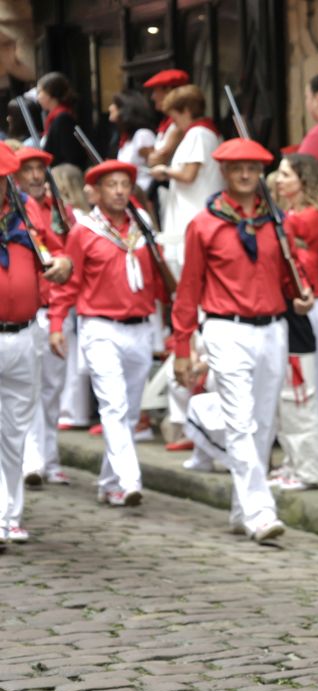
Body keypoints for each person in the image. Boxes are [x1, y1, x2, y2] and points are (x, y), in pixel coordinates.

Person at [171, 137, 312, 542]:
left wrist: (303, 295)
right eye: (237, 169)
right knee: (239, 420)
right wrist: (182, 348)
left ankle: (240, 509)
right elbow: (188, 290)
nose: (246, 174)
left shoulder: (276, 221)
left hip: (273, 329)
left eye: (253, 167)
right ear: (225, 173)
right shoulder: (204, 223)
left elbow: (293, 276)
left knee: (264, 424)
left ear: (261, 172)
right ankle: (260, 512)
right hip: (224, 328)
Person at [48, 160, 164, 507]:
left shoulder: (141, 227)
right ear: (95, 192)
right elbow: (69, 283)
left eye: (124, 184)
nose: (118, 191)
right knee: (112, 405)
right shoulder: (84, 231)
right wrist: (57, 323)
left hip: (140, 327)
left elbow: (160, 280)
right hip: (99, 327)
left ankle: (109, 482)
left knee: (127, 411)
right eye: (111, 185)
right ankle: (130, 480)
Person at [0, 143, 70, 544]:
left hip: (25, 334)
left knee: (14, 431)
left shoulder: (27, 211)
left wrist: (63, 265)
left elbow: (59, 255)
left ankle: (11, 515)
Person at [270, 152, 318, 492]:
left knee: (299, 395)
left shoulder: (306, 218)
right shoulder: (289, 217)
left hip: (301, 311)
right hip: (286, 310)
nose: (278, 181)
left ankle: (309, 468)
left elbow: (299, 261)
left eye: (285, 175)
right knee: (286, 396)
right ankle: (294, 462)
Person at [15, 147, 74, 488]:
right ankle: (31, 457)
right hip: (29, 310)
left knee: (52, 390)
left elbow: (70, 257)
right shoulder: (20, 211)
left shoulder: (60, 212)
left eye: (41, 169)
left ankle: (48, 458)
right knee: (29, 390)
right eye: (30, 169)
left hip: (58, 308)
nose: (37, 176)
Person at [152, 85, 223, 277]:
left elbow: (188, 175)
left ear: (186, 111)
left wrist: (164, 171)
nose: (175, 125)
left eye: (175, 118)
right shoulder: (206, 133)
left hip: (192, 211)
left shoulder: (198, 134)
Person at [108, 92, 158, 193]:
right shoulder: (126, 139)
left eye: (115, 105)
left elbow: (155, 165)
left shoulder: (142, 135)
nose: (110, 107)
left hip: (142, 193)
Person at [144, 69, 191, 169]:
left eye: (156, 91)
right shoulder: (168, 123)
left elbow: (157, 160)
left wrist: (150, 154)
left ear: (169, 91)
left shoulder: (178, 125)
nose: (153, 97)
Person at [35, 72, 81, 169]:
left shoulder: (63, 119)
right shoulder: (55, 118)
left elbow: (67, 156)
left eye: (39, 92)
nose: (37, 97)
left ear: (49, 93)